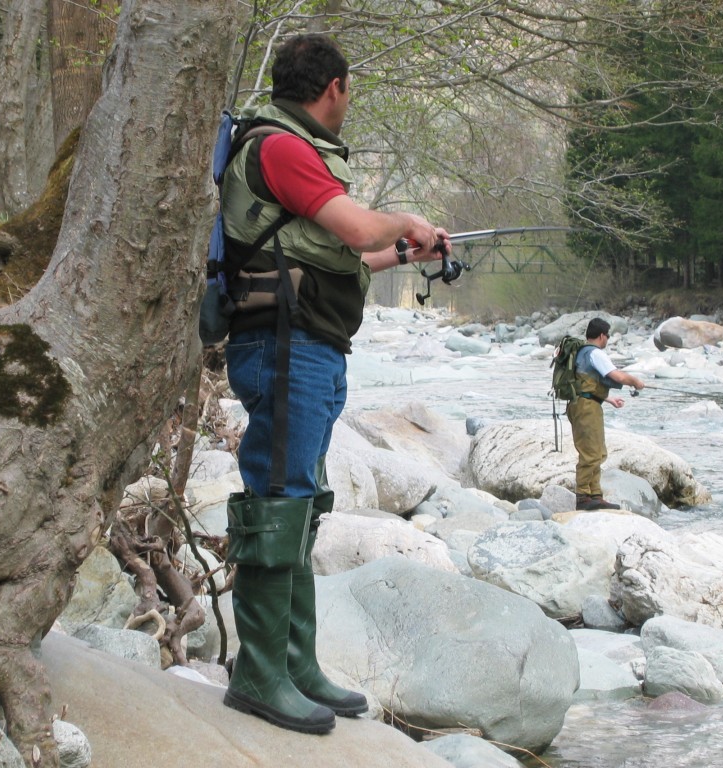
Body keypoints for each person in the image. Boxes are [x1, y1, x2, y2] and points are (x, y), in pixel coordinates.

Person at [219, 33, 450, 735]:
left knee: (302, 501)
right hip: (283, 349)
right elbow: (352, 228)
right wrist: (409, 220)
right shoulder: (284, 147)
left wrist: (400, 252)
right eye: (349, 94)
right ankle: (259, 676)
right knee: (279, 499)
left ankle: (296, 664)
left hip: (307, 348)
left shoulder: (291, 151)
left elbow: (340, 253)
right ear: (335, 87)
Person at [566, 318, 645, 511]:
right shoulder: (595, 353)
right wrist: (635, 381)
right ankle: (583, 496)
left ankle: (595, 494)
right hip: (586, 408)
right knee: (590, 453)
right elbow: (616, 376)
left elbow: (585, 383)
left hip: (585, 404)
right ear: (602, 335)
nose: (608, 339)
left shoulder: (581, 352)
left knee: (598, 451)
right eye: (608, 336)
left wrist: (609, 399)